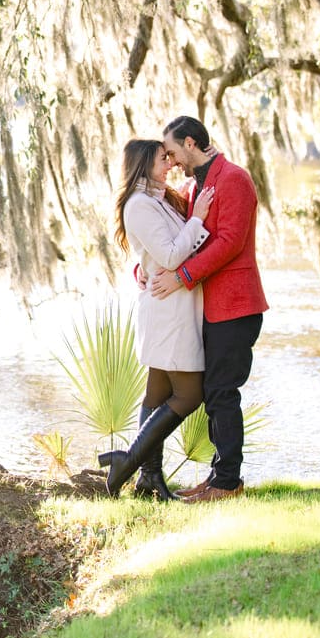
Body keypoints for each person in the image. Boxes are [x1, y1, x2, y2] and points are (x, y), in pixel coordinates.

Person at [149, 115, 268, 503]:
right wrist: (143, 266)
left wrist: (182, 275)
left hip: (236, 306)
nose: (171, 160)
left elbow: (230, 242)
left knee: (222, 391)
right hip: (206, 308)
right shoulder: (190, 186)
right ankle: (219, 477)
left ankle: (227, 482)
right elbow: (172, 237)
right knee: (213, 392)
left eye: (172, 151)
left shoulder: (234, 179)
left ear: (190, 142)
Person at [97, 139, 214, 500]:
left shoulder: (158, 200)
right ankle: (129, 462)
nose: (169, 164)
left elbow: (151, 252)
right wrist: (197, 220)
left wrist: (140, 267)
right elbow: (169, 254)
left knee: (158, 392)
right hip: (168, 312)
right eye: (163, 159)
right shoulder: (139, 205)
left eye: (169, 157)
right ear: (143, 165)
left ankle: (149, 479)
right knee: (190, 394)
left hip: (176, 306)